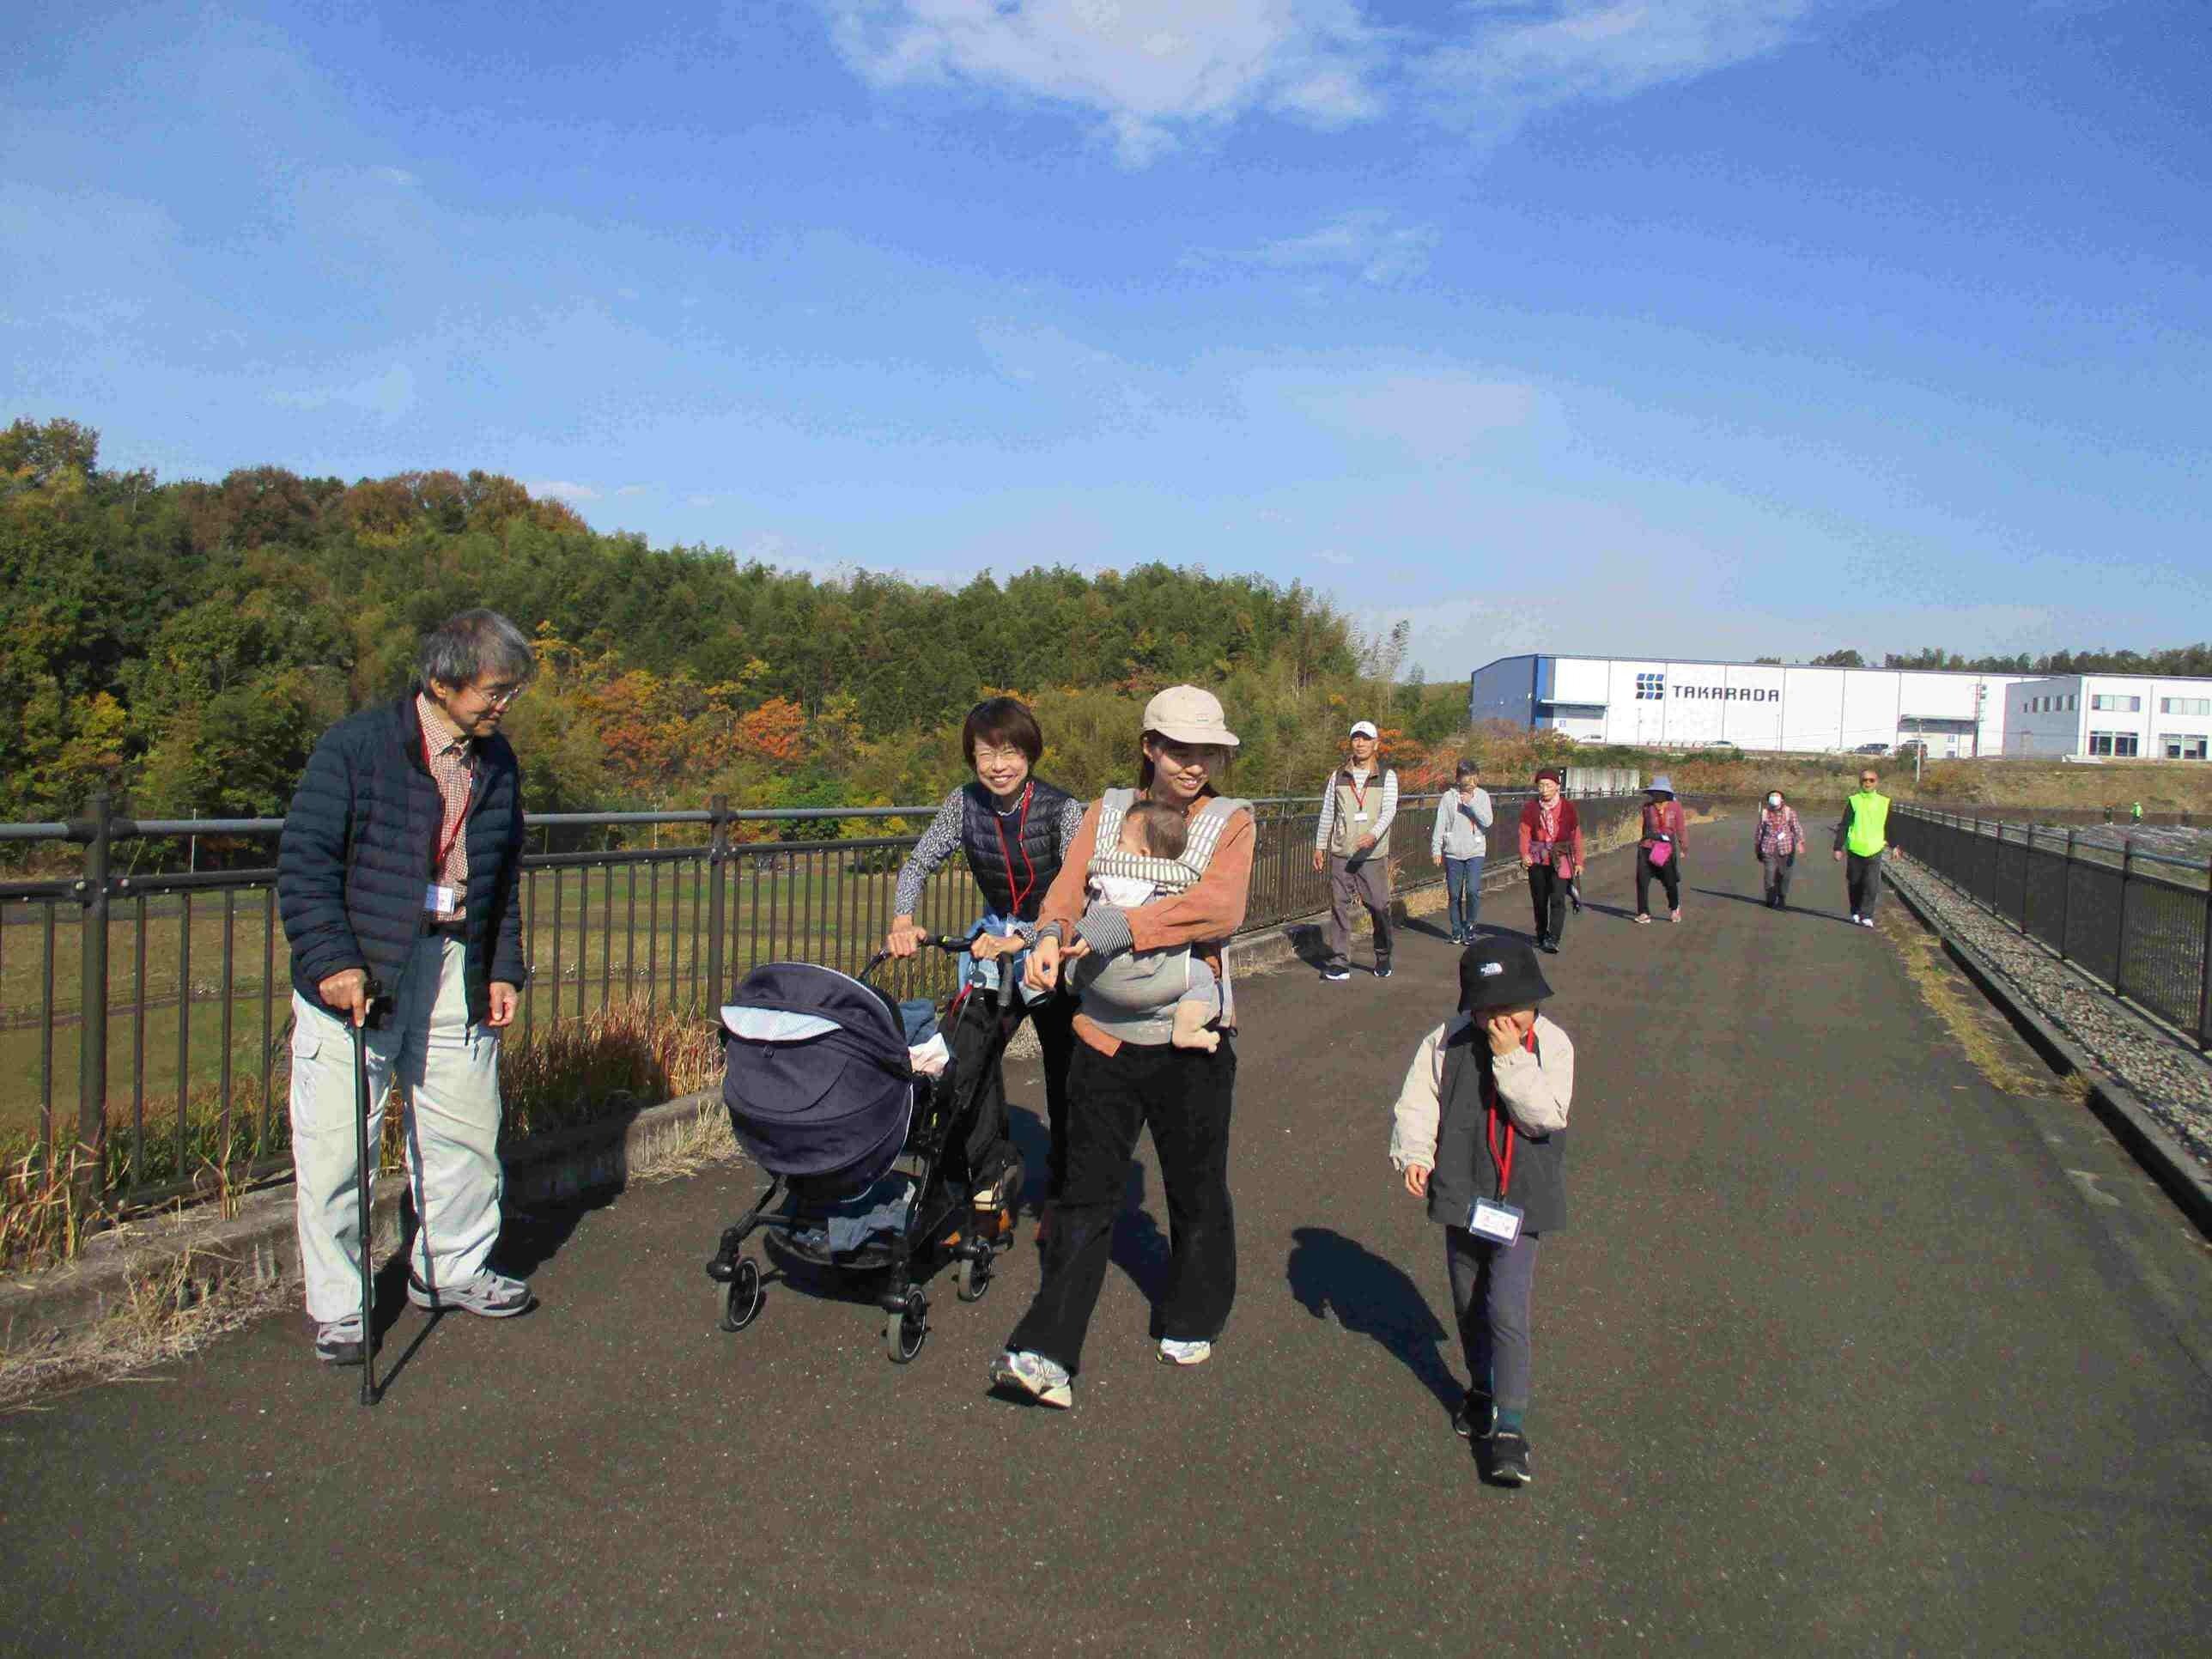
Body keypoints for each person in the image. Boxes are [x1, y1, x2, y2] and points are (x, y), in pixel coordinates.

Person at [277, 610, 537, 1366]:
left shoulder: (497, 760)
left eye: (511, 692)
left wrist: (503, 966)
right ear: (442, 682)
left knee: (465, 1128)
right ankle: (341, 1306)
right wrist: (333, 961)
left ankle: (452, 1268)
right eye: (494, 691)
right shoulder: (356, 747)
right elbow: (306, 863)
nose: (503, 706)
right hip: (364, 966)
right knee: (338, 1147)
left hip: (456, 961)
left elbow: (502, 875)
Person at [990, 686, 1255, 1408]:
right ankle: (1047, 1351)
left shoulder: (1230, 822)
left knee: (1196, 1188)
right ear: (1149, 747)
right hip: (1101, 1035)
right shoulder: (1105, 812)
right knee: (1083, 1195)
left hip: (1190, 1042)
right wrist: (1050, 936)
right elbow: (1066, 892)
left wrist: (1118, 928)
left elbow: (1219, 908)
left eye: (1207, 753)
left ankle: (1194, 1313)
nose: (1194, 765)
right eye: (1180, 750)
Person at [1389, 936, 1575, 1488]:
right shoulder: (1446, 1040)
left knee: (1506, 1308)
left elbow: (1546, 1115)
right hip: (1463, 1190)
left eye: (1515, 1007)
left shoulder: (1552, 1045)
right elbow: (1419, 1099)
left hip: (1521, 1198)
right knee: (1469, 1302)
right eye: (1489, 1010)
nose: (1502, 1020)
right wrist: (1416, 1152)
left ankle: (1511, 1427)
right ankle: (1481, 1389)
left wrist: (1511, 1057)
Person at [886, 697, 1085, 1206]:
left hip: (1053, 945)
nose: (999, 766)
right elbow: (919, 862)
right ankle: (987, 1174)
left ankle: (1066, 1188)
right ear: (972, 758)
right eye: (986, 754)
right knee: (967, 1056)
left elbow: (1079, 892)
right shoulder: (963, 803)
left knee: (1066, 1068)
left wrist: (1029, 938)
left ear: (1030, 753)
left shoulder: (1062, 809)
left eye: (1010, 752)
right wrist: (903, 919)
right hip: (993, 941)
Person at [1068, 799, 1222, 1053]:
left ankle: (1071, 979)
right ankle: (1186, 1030)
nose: (1115, 847)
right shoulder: (1174, 883)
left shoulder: (1106, 876)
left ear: (1143, 854)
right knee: (1203, 975)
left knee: (1079, 956)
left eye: (1120, 842)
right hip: (1146, 983)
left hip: (1097, 981)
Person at [1313, 720, 1398, 981]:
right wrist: (1320, 845)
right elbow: (1328, 811)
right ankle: (1340, 961)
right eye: (1355, 738)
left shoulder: (1387, 776)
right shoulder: (1338, 776)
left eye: (1366, 739)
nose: (1360, 743)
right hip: (1342, 852)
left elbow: (1389, 811)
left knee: (1379, 906)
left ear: (1376, 744)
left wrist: (1373, 835)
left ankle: (1383, 954)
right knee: (1339, 905)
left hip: (1372, 855)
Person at [1516, 769, 1583, 955]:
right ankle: (1541, 933)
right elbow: (1524, 833)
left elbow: (1576, 834)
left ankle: (1553, 938)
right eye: (1541, 786)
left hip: (1561, 857)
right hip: (1538, 857)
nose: (1544, 789)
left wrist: (1579, 861)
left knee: (1557, 899)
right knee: (1539, 899)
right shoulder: (1531, 808)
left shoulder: (1568, 807)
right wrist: (1524, 854)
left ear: (1557, 787)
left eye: (1548, 785)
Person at [1431, 759, 1493, 945]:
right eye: (1467, 779)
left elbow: (1488, 821)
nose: (1471, 783)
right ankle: (1456, 930)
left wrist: (1471, 803)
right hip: (1453, 851)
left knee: (1473, 891)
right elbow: (1440, 823)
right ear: (1458, 779)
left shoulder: (1482, 796)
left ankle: (1470, 926)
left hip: (1476, 850)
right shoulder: (1448, 798)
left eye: (1474, 779)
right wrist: (1436, 848)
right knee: (1454, 894)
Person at [1832, 765, 1892, 927]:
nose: (1868, 783)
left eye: (1871, 780)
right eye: (1865, 780)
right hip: (1855, 848)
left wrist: (1895, 846)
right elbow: (1844, 825)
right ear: (1860, 782)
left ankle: (1867, 915)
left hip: (1875, 848)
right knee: (1855, 883)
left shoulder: (1884, 802)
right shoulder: (1854, 801)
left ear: (1876, 782)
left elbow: (1891, 825)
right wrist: (1838, 847)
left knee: (1872, 884)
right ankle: (1855, 911)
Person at [1632, 775, 1688, 925]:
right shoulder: (1647, 807)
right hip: (1647, 846)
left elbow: (1681, 828)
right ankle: (1644, 912)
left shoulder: (1675, 807)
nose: (1657, 794)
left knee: (1670, 881)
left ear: (1666, 793)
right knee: (1642, 879)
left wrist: (1683, 846)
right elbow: (1645, 827)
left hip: (1665, 848)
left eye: (1660, 792)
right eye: (1655, 791)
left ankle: (1674, 908)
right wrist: (1643, 842)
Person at [1754, 789, 1807, 909]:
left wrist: (1800, 842)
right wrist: (1757, 846)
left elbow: (1796, 827)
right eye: (1772, 796)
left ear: (1782, 799)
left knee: (1784, 875)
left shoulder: (1789, 812)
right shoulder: (1764, 813)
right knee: (1769, 875)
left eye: (1776, 796)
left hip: (1786, 849)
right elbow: (1760, 831)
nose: (1774, 798)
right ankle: (1770, 898)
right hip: (1768, 848)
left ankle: (1782, 897)